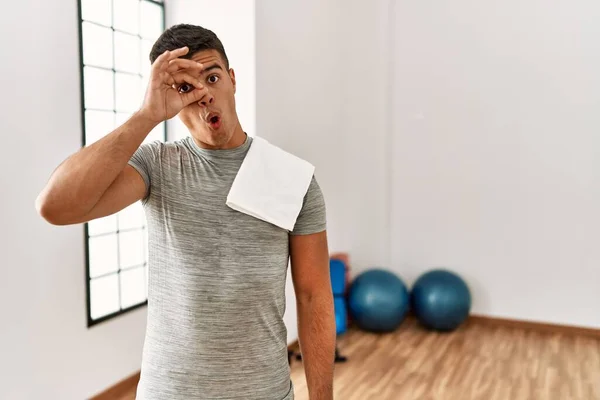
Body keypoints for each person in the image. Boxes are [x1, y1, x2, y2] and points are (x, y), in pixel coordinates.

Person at [35, 24, 336, 400]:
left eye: (212, 77)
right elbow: (55, 206)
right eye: (185, 89)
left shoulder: (294, 179)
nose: (205, 95)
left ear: (232, 79)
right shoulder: (156, 166)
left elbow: (313, 298)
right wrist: (146, 115)